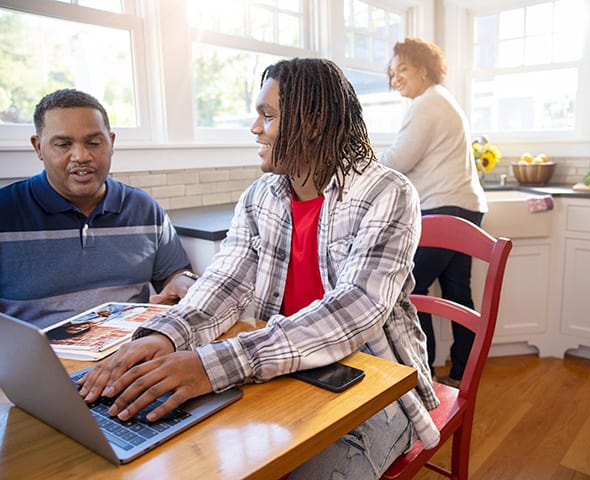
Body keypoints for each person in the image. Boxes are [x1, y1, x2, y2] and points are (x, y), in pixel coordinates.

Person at [78, 58, 440, 479]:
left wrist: (211, 366)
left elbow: (354, 311)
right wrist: (167, 336)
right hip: (283, 370)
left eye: (267, 116)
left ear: (314, 121)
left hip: (375, 385)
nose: (255, 128)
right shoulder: (259, 197)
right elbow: (225, 282)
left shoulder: (388, 192)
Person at [0, 89, 197, 329]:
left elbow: (174, 274)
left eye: (93, 143)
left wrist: (183, 281)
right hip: (41, 362)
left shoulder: (145, 210)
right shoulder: (6, 211)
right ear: (38, 147)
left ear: (111, 142)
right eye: (63, 144)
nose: (81, 156)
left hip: (134, 352)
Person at [379, 38, 488, 388]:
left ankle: (424, 373)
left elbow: (398, 160)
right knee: (458, 293)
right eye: (392, 72)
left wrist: (360, 165)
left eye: (403, 69)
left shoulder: (426, 104)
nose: (395, 78)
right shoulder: (443, 101)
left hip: (442, 207)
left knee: (410, 290)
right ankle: (462, 375)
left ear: (424, 68)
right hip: (465, 206)